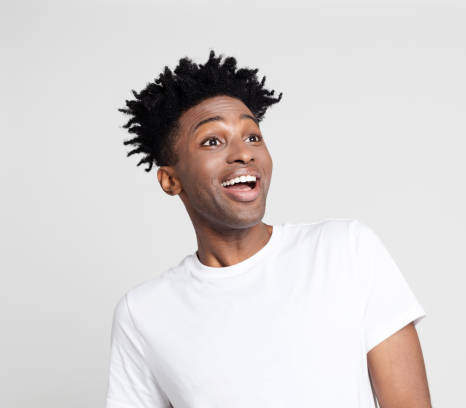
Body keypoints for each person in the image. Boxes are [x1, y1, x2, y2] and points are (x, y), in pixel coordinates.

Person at [106, 50, 432, 408]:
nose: (243, 153)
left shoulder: (345, 251)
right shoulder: (143, 313)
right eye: (212, 141)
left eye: (253, 137)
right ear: (171, 180)